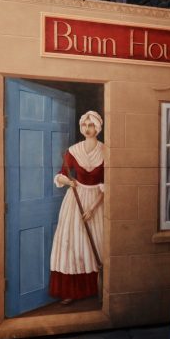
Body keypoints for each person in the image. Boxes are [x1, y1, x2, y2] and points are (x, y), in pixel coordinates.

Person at [49, 110, 105, 304]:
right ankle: (71, 291)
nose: (88, 129)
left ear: (98, 127)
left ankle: (97, 287)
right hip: (76, 200)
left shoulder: (106, 151)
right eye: (85, 126)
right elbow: (61, 173)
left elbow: (109, 184)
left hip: (98, 200)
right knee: (73, 243)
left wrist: (93, 209)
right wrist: (67, 181)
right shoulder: (73, 151)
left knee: (97, 242)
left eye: (92, 126)